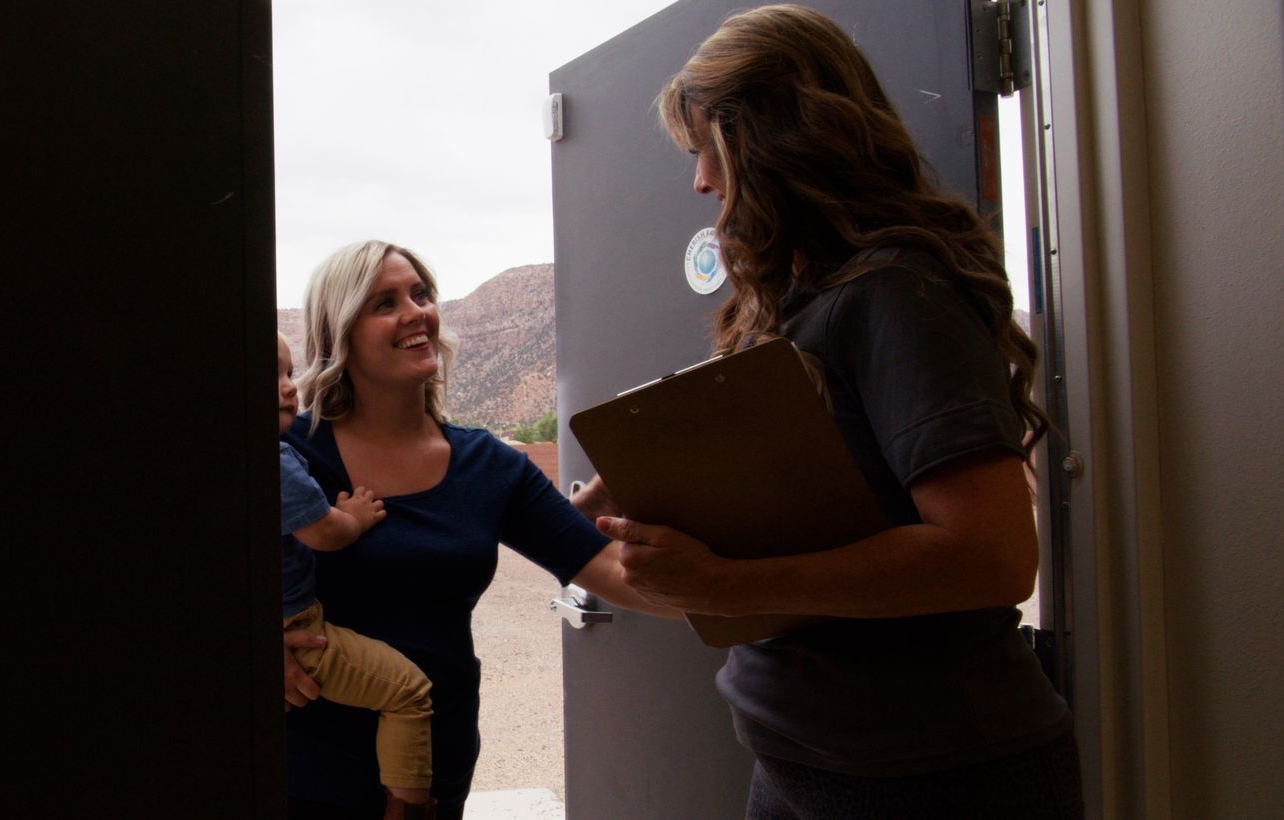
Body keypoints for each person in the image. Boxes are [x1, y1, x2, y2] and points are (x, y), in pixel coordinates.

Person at [574, 5, 1082, 817]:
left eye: (709, 149)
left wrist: (727, 584)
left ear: (778, 140)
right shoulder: (799, 303)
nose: (701, 181)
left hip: (934, 776)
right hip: (798, 761)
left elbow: (991, 557)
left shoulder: (898, 291)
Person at [278, 240, 686, 819]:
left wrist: (751, 595)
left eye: (421, 294)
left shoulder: (488, 465)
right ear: (338, 333)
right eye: (384, 303)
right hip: (302, 767)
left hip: (433, 769)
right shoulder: (290, 455)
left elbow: (612, 571)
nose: (416, 312)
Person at [274, 330, 438, 818]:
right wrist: (356, 518)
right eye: (270, 376)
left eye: (288, 372)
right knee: (409, 691)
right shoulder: (277, 460)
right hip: (300, 631)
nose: (289, 386)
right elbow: (324, 533)